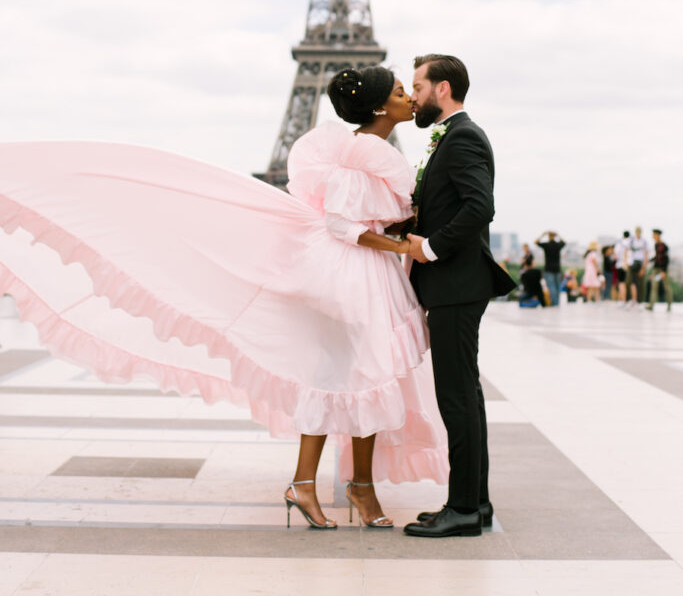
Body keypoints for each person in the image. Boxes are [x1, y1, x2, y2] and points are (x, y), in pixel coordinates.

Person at [0, 65, 449, 531]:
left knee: (368, 377)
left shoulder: (369, 155)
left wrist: (396, 231)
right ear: (379, 106)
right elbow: (342, 226)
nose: (408, 98)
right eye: (401, 91)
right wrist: (401, 244)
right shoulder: (354, 155)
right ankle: (315, 484)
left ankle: (354, 485)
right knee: (338, 375)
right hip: (347, 278)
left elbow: (374, 216)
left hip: (369, 276)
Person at [401, 54, 515, 539]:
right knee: (465, 395)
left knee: (456, 397)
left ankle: (464, 508)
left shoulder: (463, 136)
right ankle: (474, 503)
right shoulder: (451, 135)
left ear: (442, 88)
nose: (412, 95)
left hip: (454, 283)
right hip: (456, 284)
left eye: (418, 86)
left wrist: (428, 247)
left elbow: (479, 207)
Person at [534, 231, 565, 306]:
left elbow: (536, 242)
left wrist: (542, 235)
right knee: (557, 287)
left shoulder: (546, 245)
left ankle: (554, 303)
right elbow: (564, 242)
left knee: (551, 286)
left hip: (548, 269)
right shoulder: (557, 245)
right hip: (557, 268)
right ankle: (557, 302)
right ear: (554, 236)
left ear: (549, 237)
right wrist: (558, 234)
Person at [645, 229, 673, 312]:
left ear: (657, 235)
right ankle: (651, 305)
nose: (652, 236)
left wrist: (664, 271)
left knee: (667, 287)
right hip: (656, 269)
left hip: (663, 270)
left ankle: (669, 305)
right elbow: (657, 257)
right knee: (654, 287)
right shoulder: (656, 245)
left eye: (653, 235)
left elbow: (666, 259)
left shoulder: (664, 246)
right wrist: (649, 260)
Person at [629, 226, 648, 304]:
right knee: (633, 282)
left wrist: (643, 267)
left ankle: (640, 300)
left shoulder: (644, 242)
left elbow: (646, 254)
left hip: (640, 262)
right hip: (633, 262)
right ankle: (634, 299)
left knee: (640, 283)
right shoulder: (632, 241)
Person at [614, 231, 632, 305]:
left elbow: (615, 256)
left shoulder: (620, 244)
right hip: (629, 265)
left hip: (621, 265)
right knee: (631, 283)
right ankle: (631, 300)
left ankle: (623, 300)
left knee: (622, 283)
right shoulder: (631, 243)